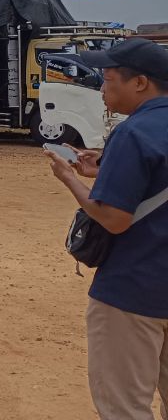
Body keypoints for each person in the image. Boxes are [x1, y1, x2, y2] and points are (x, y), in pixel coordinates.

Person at [44, 37, 168, 420]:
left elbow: (114, 219)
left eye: (109, 78)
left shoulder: (133, 133)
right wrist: (105, 168)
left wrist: (70, 178)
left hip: (134, 291)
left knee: (125, 409)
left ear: (140, 83)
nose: (102, 88)